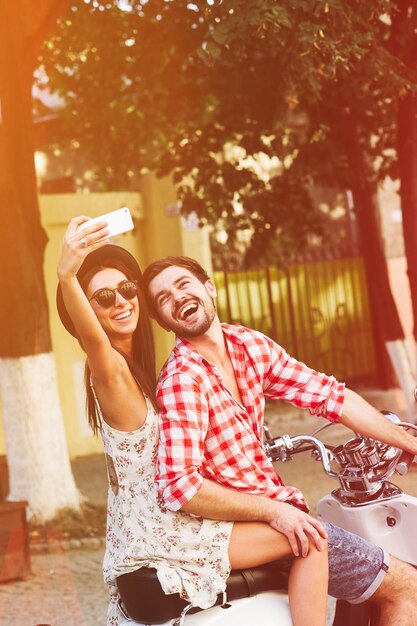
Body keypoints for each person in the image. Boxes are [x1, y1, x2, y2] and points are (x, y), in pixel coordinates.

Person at [56, 218, 328, 626]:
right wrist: (66, 273)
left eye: (127, 290)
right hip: (165, 544)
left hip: (168, 533)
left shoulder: (147, 375)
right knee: (312, 539)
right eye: (104, 297)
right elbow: (93, 340)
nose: (121, 301)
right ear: (88, 313)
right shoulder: (110, 370)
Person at [143, 255, 417, 626]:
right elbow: (179, 486)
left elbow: (330, 395)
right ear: (164, 322)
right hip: (252, 528)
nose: (176, 297)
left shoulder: (245, 345)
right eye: (163, 298)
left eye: (183, 284)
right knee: (407, 587)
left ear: (209, 287)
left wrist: (407, 440)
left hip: (272, 517)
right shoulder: (182, 379)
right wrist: (275, 511)